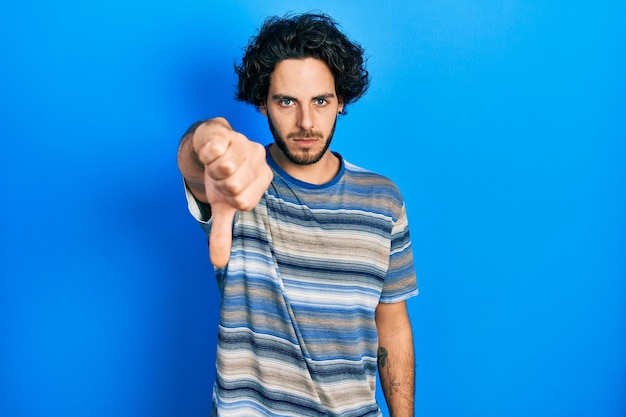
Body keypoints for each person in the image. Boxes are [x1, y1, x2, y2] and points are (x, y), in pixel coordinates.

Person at [177, 12, 418, 417]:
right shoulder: (238, 180)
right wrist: (206, 143)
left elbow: (392, 324)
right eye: (286, 101)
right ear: (262, 102)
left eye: (320, 101)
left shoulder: (383, 199)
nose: (306, 122)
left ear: (340, 101)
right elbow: (196, 162)